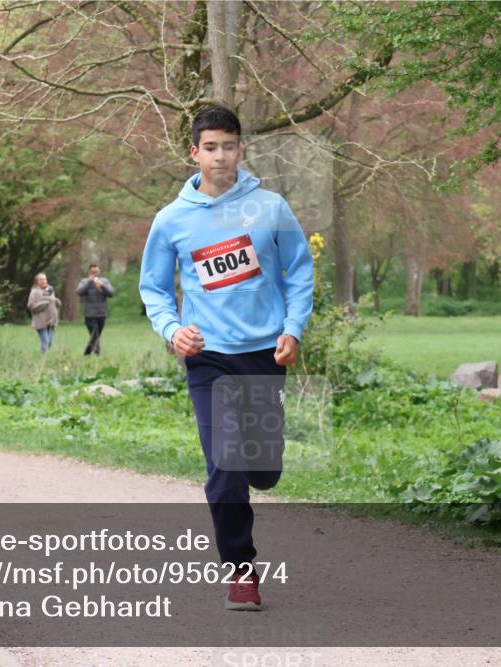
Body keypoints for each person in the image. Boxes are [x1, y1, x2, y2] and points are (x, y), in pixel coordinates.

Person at [139, 106, 313, 611]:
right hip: (209, 358)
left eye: (229, 145)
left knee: (260, 470)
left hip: (263, 353)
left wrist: (293, 329)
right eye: (210, 147)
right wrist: (173, 331)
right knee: (225, 465)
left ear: (241, 149)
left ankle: (261, 468)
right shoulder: (171, 219)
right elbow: (153, 288)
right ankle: (241, 572)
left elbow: (299, 273)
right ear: (195, 153)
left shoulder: (271, 208)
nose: (220, 155)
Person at [76, 264, 115, 355]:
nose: (95, 274)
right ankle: (98, 353)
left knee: (96, 335)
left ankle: (87, 353)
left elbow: (111, 293)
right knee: (95, 333)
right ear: (89, 272)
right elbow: (79, 292)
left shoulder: (104, 281)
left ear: (99, 271)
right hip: (89, 314)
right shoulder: (84, 282)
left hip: (102, 313)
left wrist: (102, 286)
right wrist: (89, 282)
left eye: (96, 272)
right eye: (93, 272)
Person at [27, 273, 61, 354]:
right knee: (45, 342)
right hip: (40, 321)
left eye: (45, 279)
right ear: (37, 281)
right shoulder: (34, 292)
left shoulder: (49, 289)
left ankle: (42, 355)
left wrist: (57, 302)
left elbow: (51, 301)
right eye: (41, 279)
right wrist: (43, 304)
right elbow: (30, 306)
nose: (44, 281)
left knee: (49, 343)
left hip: (51, 320)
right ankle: (42, 360)